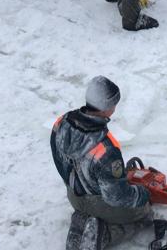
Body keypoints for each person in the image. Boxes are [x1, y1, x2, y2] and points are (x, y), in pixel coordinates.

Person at [52, 76, 152, 249]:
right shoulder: (105, 150)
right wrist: (143, 194)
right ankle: (105, 233)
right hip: (99, 204)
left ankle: (83, 218)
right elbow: (117, 197)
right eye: (114, 104)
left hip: (73, 196)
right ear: (107, 108)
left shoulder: (62, 122)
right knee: (145, 213)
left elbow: (59, 161)